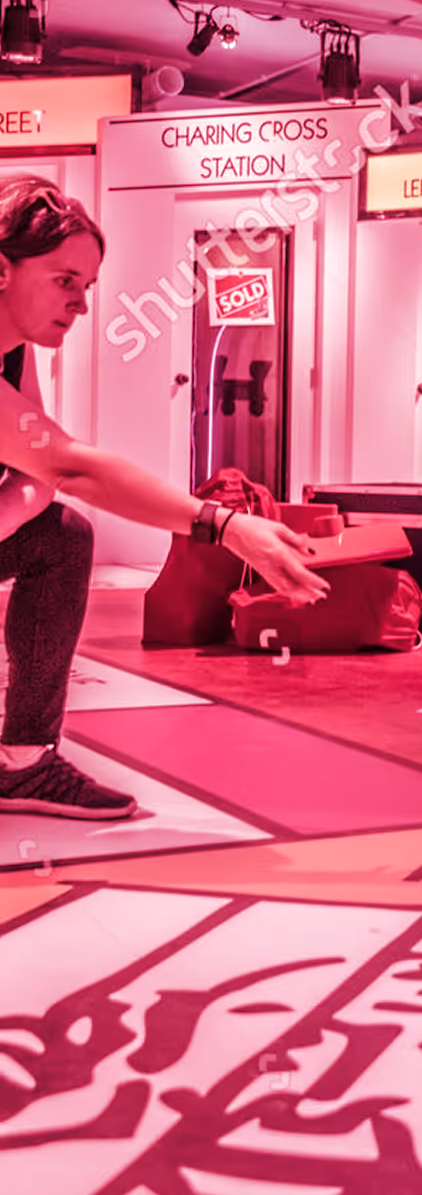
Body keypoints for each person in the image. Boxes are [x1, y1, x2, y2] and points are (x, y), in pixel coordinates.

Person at [0, 175, 330, 819]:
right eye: (64, 280)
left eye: (87, 287)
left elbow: (38, 472)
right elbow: (71, 466)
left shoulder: (13, 350)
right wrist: (226, 525)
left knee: (61, 537)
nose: (81, 305)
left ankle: (24, 761)